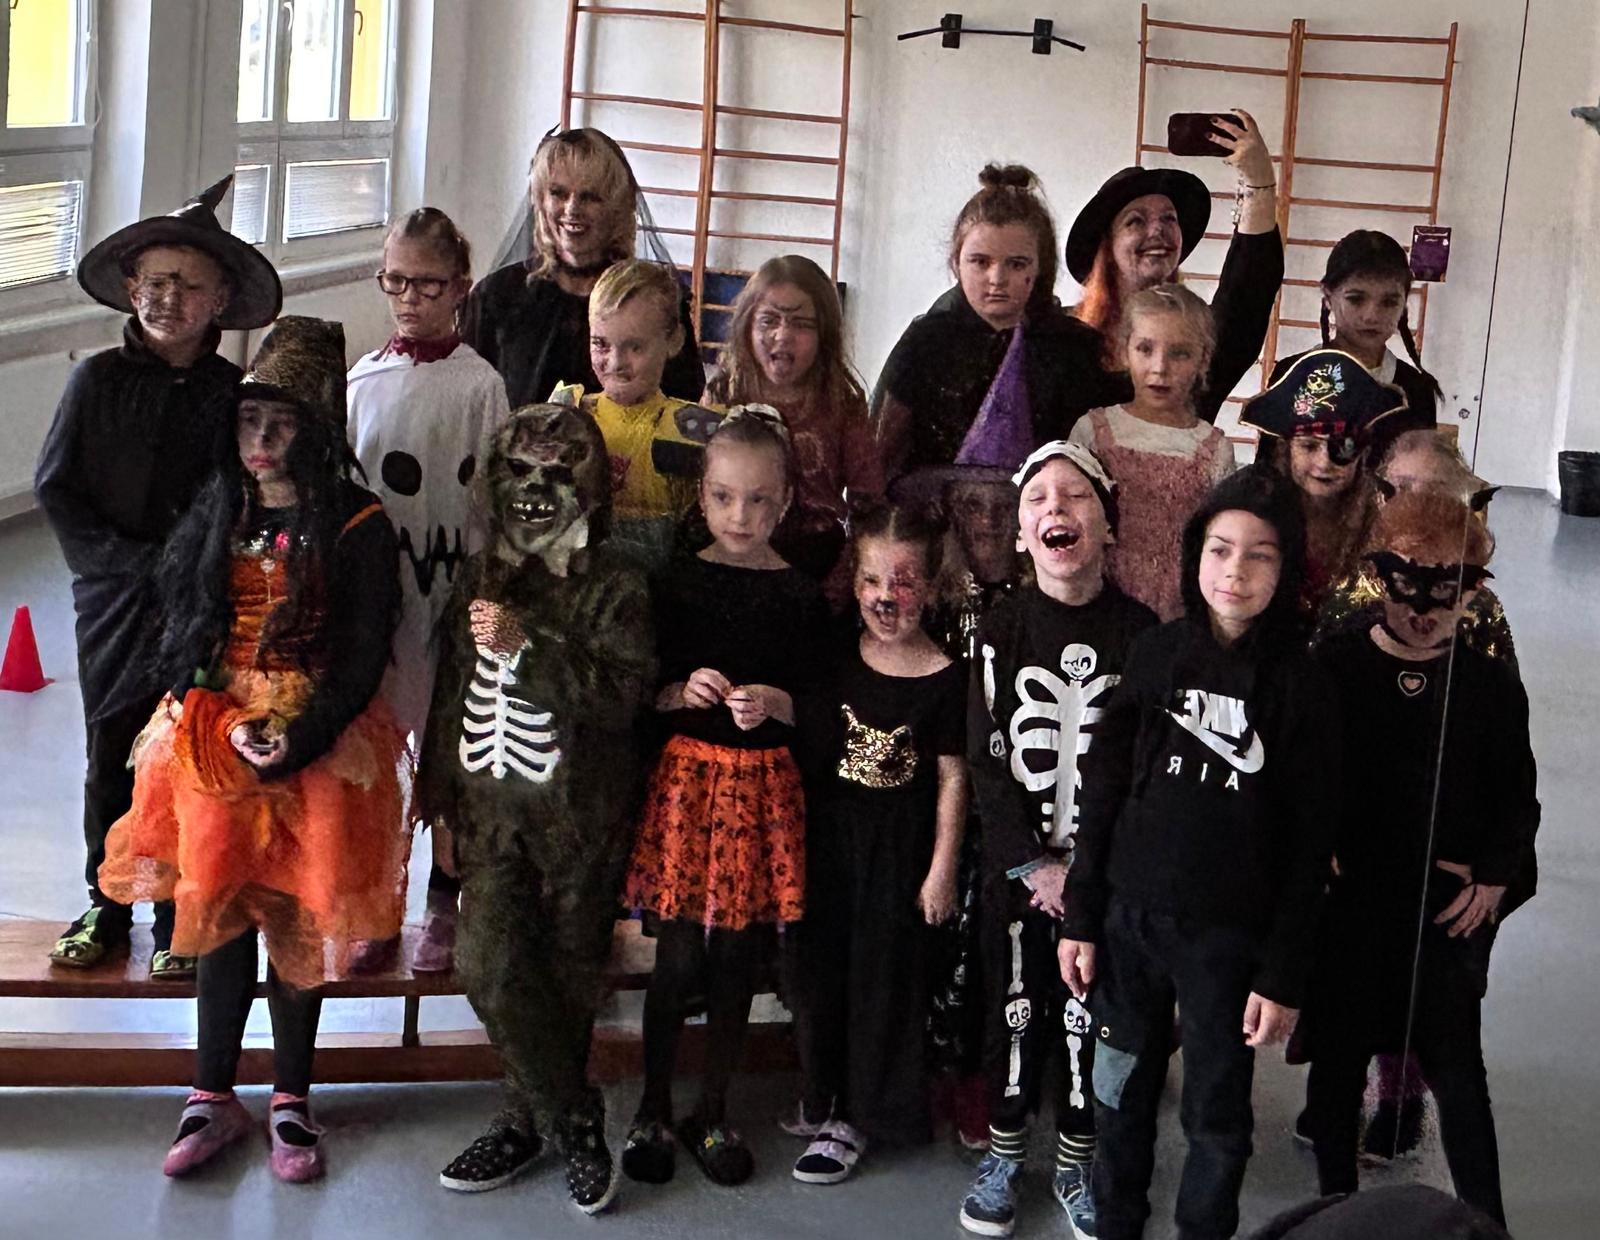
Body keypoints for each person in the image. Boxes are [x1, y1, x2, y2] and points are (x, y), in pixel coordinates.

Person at [96, 317, 410, 1183]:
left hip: (318, 745)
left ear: (316, 431)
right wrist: (217, 714)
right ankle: (211, 1093)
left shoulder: (356, 523)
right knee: (220, 909)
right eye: (248, 420)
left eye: (282, 423)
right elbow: (181, 629)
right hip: (213, 739)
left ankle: (292, 1098)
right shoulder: (217, 508)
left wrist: (302, 735)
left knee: (296, 915)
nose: (261, 441)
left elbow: (363, 653)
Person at [1057, 465, 1338, 1240]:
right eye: (1219, 550)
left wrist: (1281, 974)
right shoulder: (1155, 654)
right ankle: (1116, 1220)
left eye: (1259, 555)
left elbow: (1310, 843)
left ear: (1287, 569)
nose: (1235, 572)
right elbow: (1103, 794)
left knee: (1216, 1113)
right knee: (1118, 1091)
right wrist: (1082, 917)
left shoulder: (1302, 687)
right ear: (1195, 556)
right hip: (1128, 922)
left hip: (1227, 940)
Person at [34, 174, 283, 977]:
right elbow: (56, 487)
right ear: (131, 287)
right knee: (113, 749)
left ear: (220, 301)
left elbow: (243, 494)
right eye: (155, 281)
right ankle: (109, 902)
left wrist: (206, 577)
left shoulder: (229, 396)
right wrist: (119, 565)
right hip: (112, 599)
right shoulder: (96, 382)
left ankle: (178, 908)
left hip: (199, 603)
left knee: (185, 751)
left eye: (189, 285)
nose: (168, 299)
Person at [417, 402, 655, 1215]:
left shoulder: (617, 585)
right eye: (519, 471)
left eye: (557, 474)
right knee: (486, 961)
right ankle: (575, 1117)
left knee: (566, 974)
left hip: (581, 819)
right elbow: (452, 697)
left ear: (589, 489)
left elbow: (621, 699)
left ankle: (524, 1120)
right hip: (491, 815)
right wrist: (440, 804)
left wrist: (530, 647)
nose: (535, 489)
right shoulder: (477, 579)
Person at [1300, 490, 1538, 1230]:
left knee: (1459, 1071)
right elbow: (1303, 778)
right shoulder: (1334, 667)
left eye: (1448, 588)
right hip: (1353, 906)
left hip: (1443, 912)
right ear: (1380, 576)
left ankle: (1486, 1223)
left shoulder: (1490, 686)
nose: (1425, 608)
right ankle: (1337, 1213)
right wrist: (1314, 852)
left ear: (1472, 592)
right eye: (1409, 584)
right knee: (1338, 1065)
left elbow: (1518, 797)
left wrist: (1496, 875)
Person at [621, 409, 829, 1189]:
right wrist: (681, 691)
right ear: (701, 496)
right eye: (723, 498)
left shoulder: (800, 596)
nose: (740, 516)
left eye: (758, 500)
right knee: (677, 956)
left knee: (737, 957)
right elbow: (644, 693)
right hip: (688, 789)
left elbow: (820, 705)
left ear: (784, 503)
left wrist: (775, 703)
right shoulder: (676, 580)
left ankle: (712, 1110)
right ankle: (651, 1107)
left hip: (761, 792)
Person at [959, 441, 1159, 1240]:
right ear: (1019, 534)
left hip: (1101, 875)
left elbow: (1143, 768)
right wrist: (1032, 864)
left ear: (1108, 524)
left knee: (1088, 1015)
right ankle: (1004, 1152)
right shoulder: (999, 629)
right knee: (1013, 1009)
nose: (1056, 509)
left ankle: (1079, 1159)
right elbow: (986, 755)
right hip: (1020, 875)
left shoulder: (1142, 636)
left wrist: (1089, 872)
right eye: (1038, 499)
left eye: (1075, 496)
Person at [347, 207, 509, 973]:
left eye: (427, 284)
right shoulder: (363, 383)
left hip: (456, 597)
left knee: (450, 759)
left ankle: (445, 901)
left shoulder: (481, 386)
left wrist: (490, 602)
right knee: (379, 760)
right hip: (385, 604)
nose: (409, 299)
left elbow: (496, 502)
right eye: (396, 282)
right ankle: (376, 904)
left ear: (460, 287)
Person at [788, 502, 968, 1183]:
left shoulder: (947, 677)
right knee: (820, 973)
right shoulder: (837, 655)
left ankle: (862, 1114)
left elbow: (953, 778)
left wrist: (941, 869)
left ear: (931, 586)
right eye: (871, 580)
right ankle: (825, 1092)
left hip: (899, 853)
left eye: (903, 581)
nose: (885, 597)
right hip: (832, 844)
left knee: (882, 982)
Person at [874, 164, 1122, 490]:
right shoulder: (926, 343)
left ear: (1041, 267)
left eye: (1017, 264)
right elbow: (881, 460)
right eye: (980, 262)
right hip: (932, 515)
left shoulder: (1075, 348)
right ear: (956, 262)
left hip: (1044, 516)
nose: (997, 279)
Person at [1067, 110, 1284, 422]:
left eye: (1169, 218)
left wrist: (1259, 179)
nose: (1158, 229)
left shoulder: (1201, 340)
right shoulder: (1065, 340)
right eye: (1136, 221)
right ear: (1107, 246)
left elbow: (1249, 289)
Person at [463, 127, 704, 407]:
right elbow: (470, 403)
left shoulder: (653, 298)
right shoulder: (496, 296)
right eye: (558, 193)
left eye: (589, 197)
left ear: (616, 208)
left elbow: (683, 403)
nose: (572, 209)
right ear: (540, 199)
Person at [706, 254, 882, 595]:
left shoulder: (840, 402)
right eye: (769, 320)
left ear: (824, 334)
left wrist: (849, 569)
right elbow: (701, 483)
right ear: (747, 325)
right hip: (735, 550)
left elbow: (868, 500)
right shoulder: (725, 393)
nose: (783, 335)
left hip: (816, 560)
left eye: (801, 324)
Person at [1069, 284, 1236, 619]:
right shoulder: (1093, 431)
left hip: (1179, 613)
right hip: (1100, 609)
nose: (1160, 367)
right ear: (1125, 350)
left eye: (1179, 354)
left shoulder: (1214, 448)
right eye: (1145, 349)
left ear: (1203, 360)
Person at [558, 259, 722, 571]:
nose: (615, 362)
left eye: (635, 347)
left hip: (662, 589)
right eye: (601, 344)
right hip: (579, 587)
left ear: (674, 341)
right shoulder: (566, 415)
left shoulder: (695, 433)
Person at [1241, 348, 1408, 612]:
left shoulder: (1382, 526)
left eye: (1343, 448)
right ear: (1287, 452)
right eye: (1309, 446)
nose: (1324, 463)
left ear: (1362, 454)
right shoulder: (1258, 517)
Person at [1272, 230, 1442, 460]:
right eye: (1355, 299)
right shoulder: (1292, 375)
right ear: (1328, 298)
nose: (1371, 315)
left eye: (1389, 302)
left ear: (1404, 305)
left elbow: (1420, 475)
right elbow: (1267, 473)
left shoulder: (1416, 390)